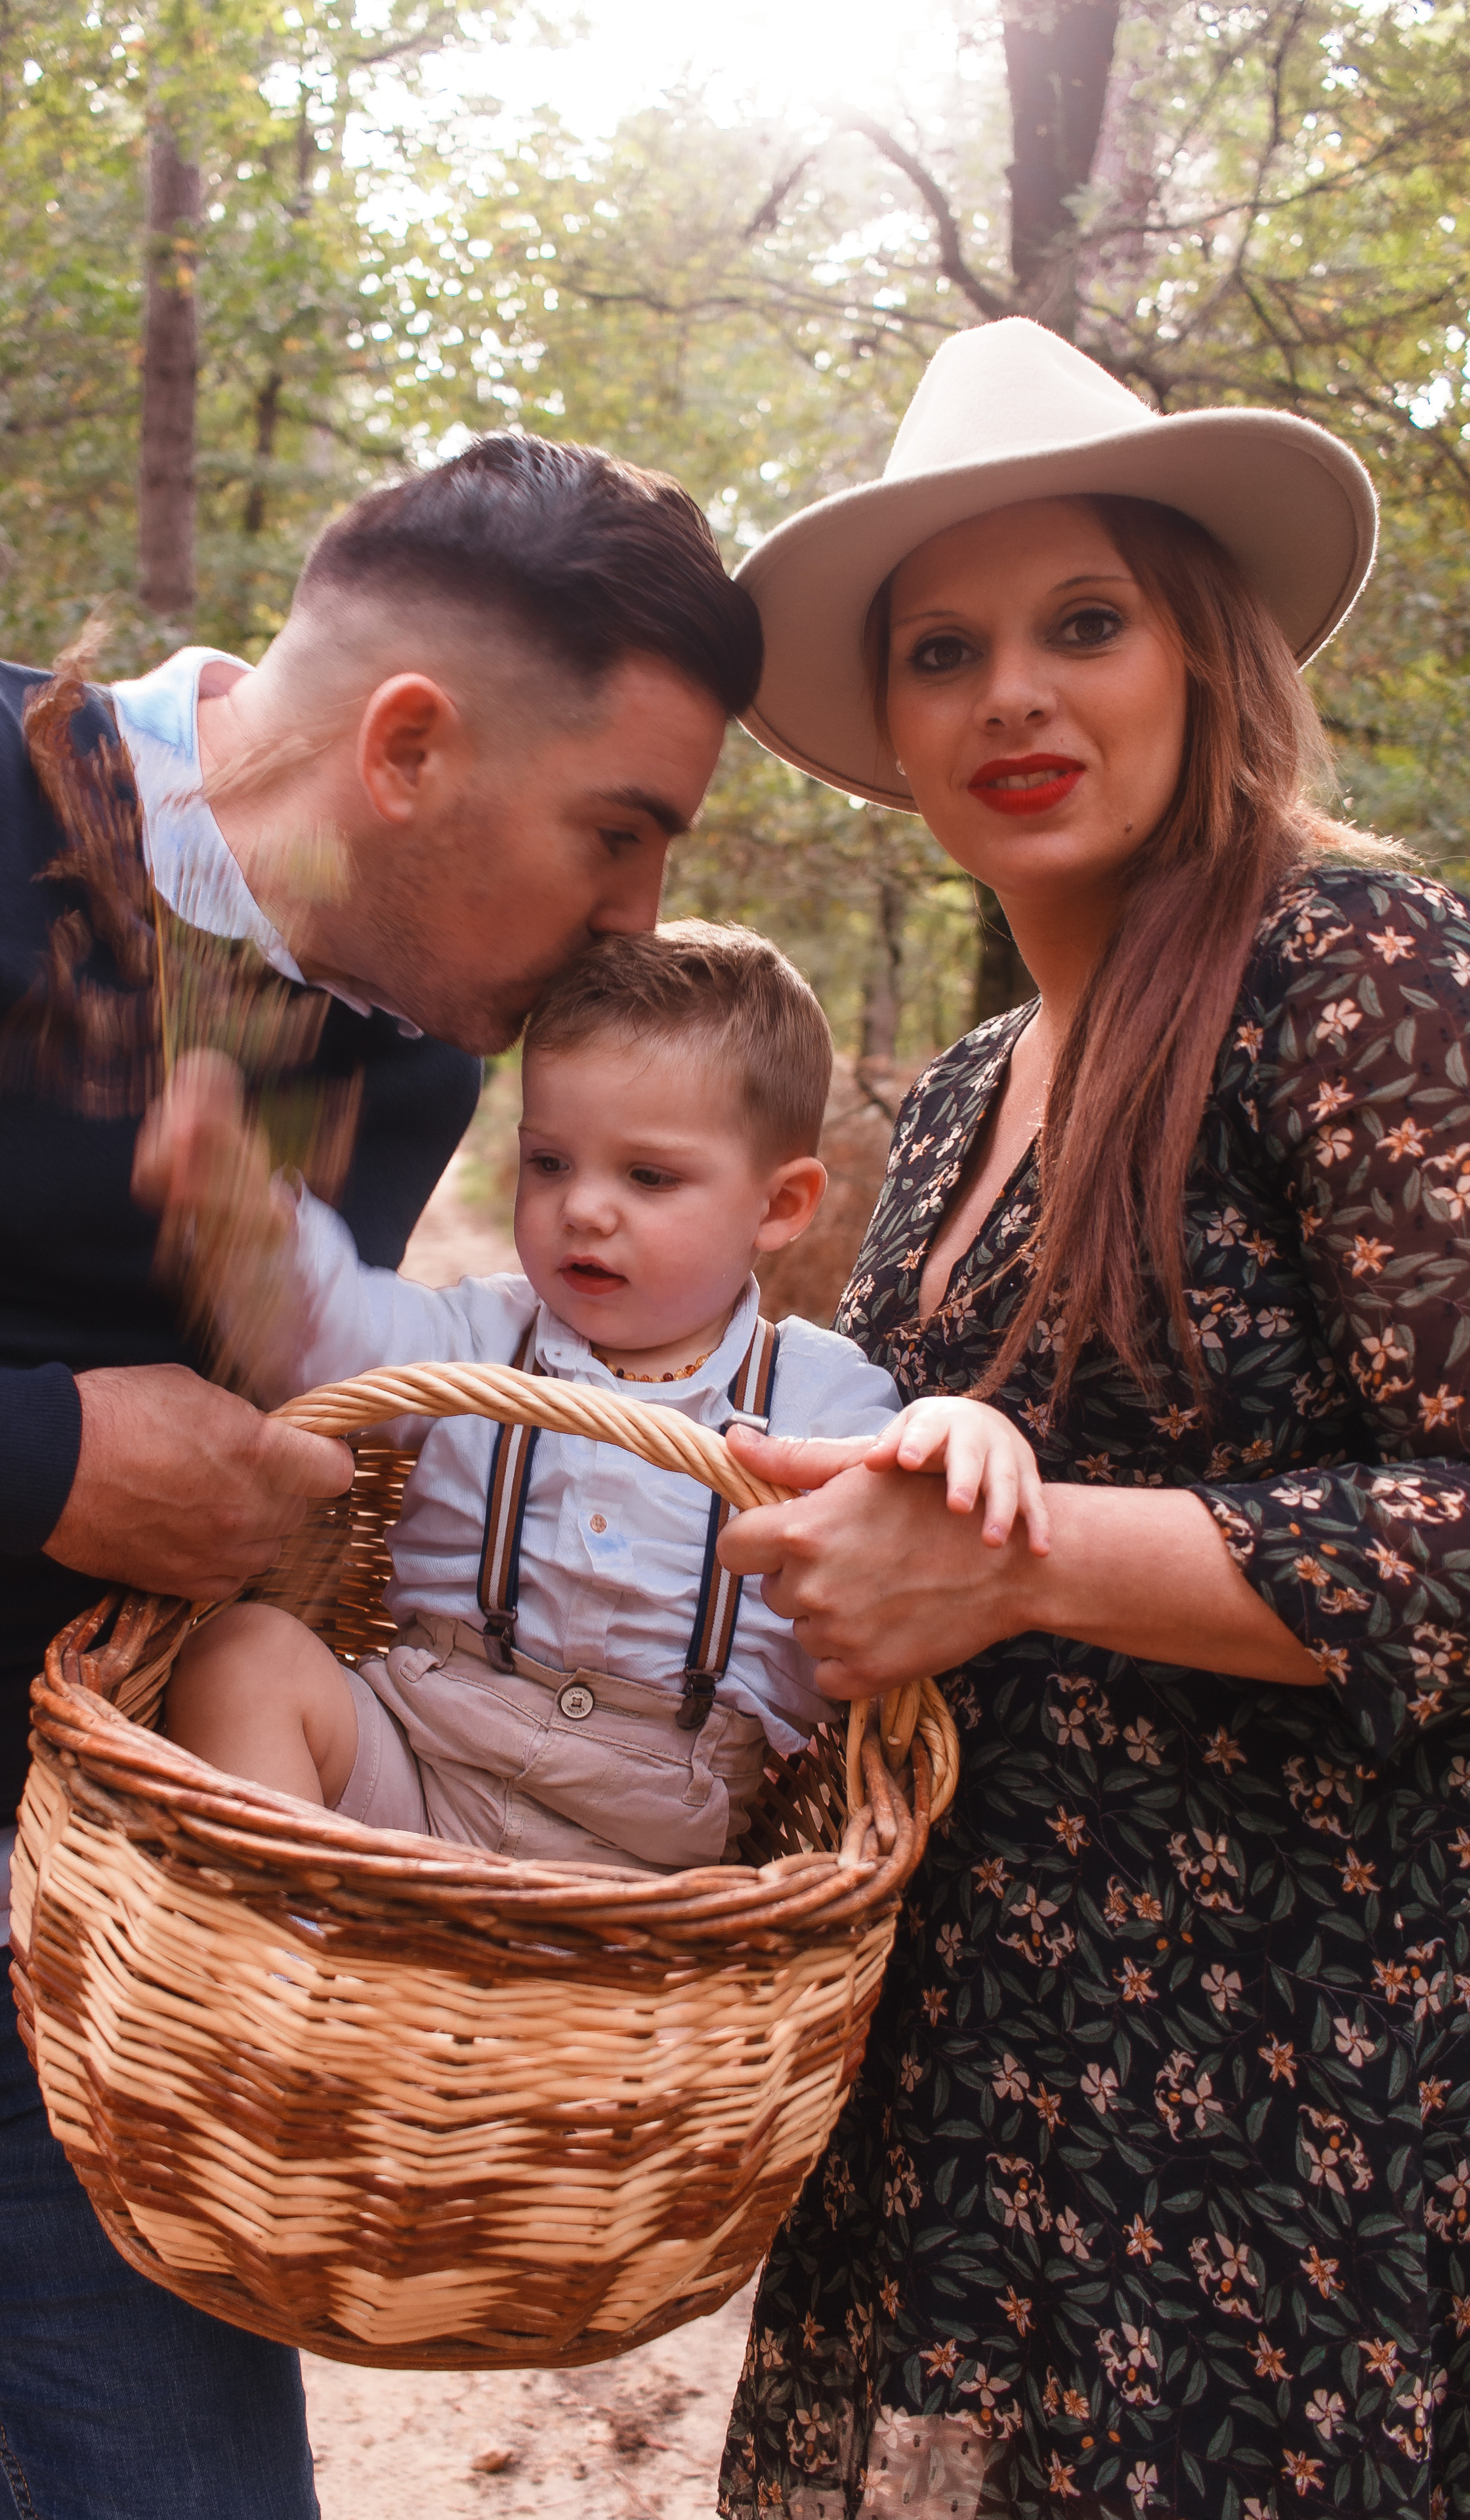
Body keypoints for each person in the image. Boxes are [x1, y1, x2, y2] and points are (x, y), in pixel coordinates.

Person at [0, 434, 759, 2518]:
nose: (638, 918)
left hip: (78, 1986)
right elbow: (55, 1453)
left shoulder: (417, 1028)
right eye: (621, 833)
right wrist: (40, 1454)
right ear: (408, 744)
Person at [711, 320, 1470, 2519]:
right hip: (962, 2090)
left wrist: (1031, 1566)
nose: (1013, 697)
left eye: (1082, 624)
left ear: (1201, 650)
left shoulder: (1358, 974)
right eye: (944, 651)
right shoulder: (952, 1106)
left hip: (1272, 2133)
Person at [146, 923, 1049, 1871]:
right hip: (414, 1779)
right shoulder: (487, 1339)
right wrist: (246, 1223)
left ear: (780, 1208)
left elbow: (885, 1513)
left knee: (772, 1922)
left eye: (647, 1176)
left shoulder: (814, 1394)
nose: (582, 1207)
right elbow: (333, 1337)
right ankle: (294, 1962)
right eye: (550, 1163)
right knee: (242, 1655)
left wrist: (957, 1430)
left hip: (651, 1862)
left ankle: (520, 2001)